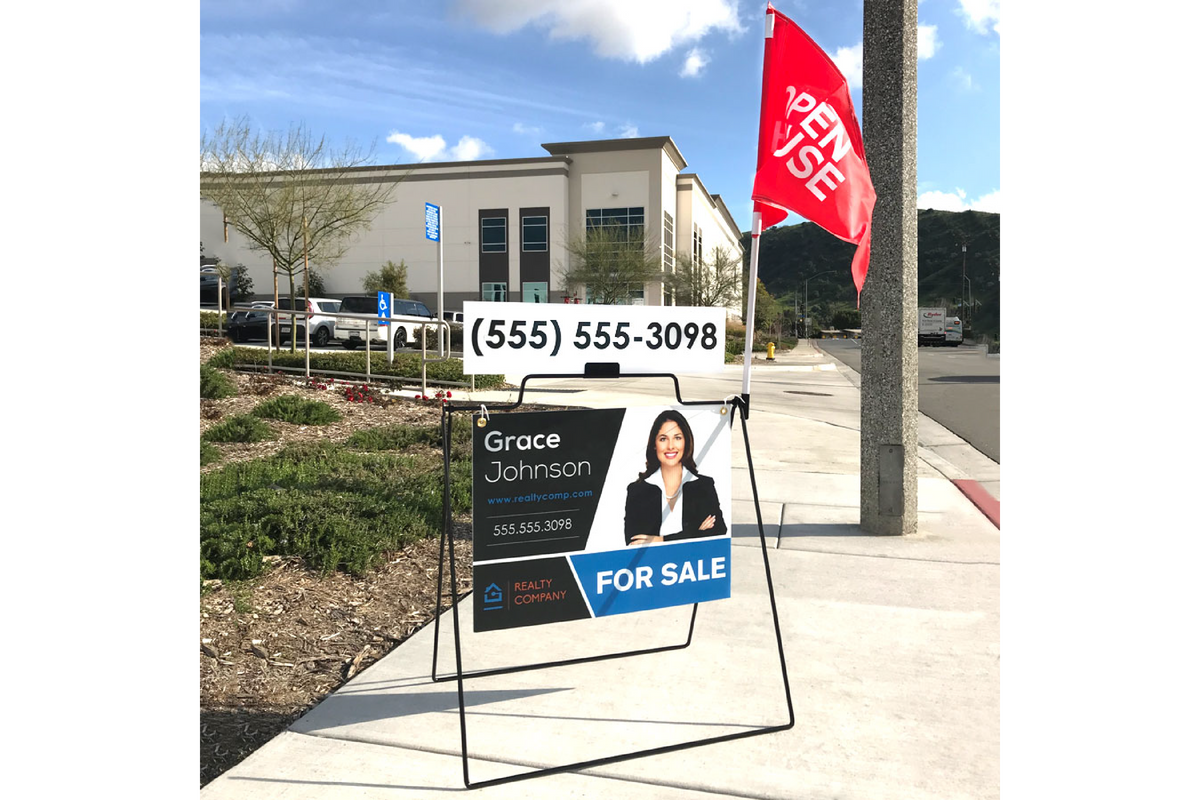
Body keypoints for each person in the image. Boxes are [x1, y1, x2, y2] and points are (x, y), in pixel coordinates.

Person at [624, 410, 726, 546]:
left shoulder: (703, 486)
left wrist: (661, 540)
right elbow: (634, 542)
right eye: (663, 439)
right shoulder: (638, 491)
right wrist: (696, 532)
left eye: (677, 438)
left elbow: (718, 532)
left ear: (686, 442)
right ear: (654, 445)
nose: (671, 446)